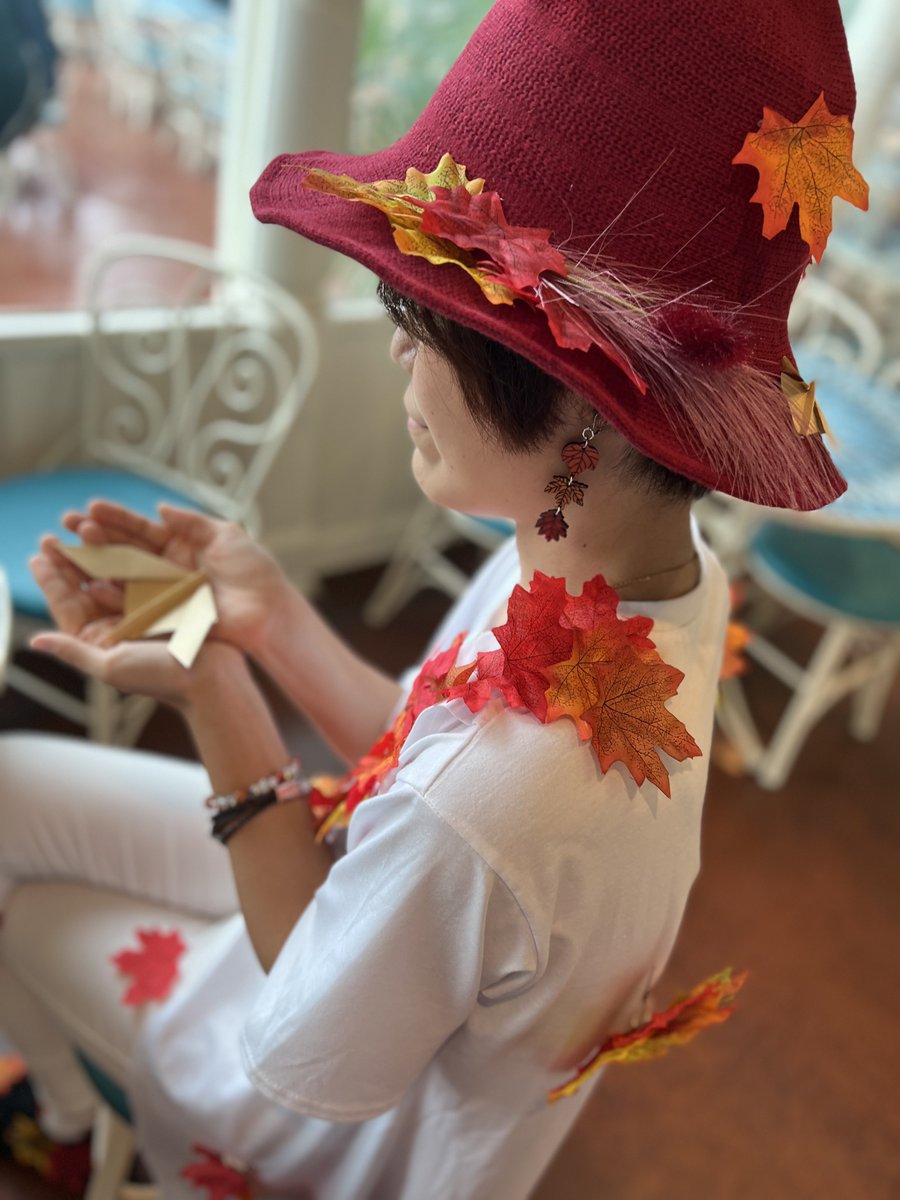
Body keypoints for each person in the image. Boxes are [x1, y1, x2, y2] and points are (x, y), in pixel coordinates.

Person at [0, 1, 864, 1196]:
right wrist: (269, 615)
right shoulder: (632, 580)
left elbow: (303, 1046)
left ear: (575, 393)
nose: (400, 353)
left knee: (28, 913)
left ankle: (57, 1121)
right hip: (372, 901)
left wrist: (217, 698)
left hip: (324, 1103)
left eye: (424, 317)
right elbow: (409, 750)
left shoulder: (500, 802)